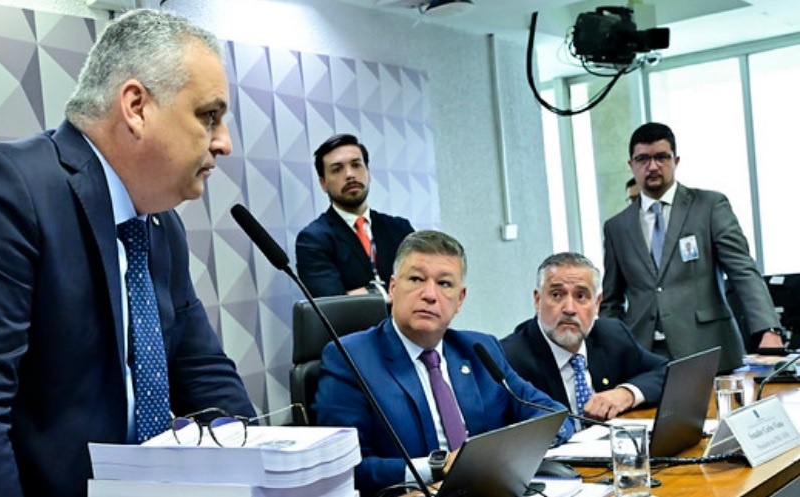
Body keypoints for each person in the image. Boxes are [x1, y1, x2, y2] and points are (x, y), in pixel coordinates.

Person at [0, 10, 254, 497]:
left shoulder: (160, 226)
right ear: (136, 107)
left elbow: (203, 372)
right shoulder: (1, 193)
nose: (224, 143)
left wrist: (263, 471)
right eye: (209, 116)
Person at [313, 230, 573, 497]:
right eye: (416, 279)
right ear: (392, 288)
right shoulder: (349, 358)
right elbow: (344, 469)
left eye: (444, 283)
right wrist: (438, 466)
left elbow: (552, 415)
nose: (429, 294)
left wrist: (501, 458)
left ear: (460, 299)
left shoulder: (479, 349)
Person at [601, 122, 783, 374]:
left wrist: (768, 329)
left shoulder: (709, 206)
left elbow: (743, 271)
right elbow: (611, 300)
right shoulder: (616, 227)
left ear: (675, 161)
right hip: (644, 355)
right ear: (631, 164)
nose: (652, 166)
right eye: (643, 159)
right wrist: (606, 349)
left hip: (707, 347)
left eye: (661, 157)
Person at [501, 252, 667, 423]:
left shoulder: (612, 335)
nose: (569, 309)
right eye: (557, 295)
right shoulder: (508, 358)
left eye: (580, 296)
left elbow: (666, 372)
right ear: (538, 300)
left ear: (597, 304)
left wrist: (627, 393)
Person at [295, 133, 414, 299]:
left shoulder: (400, 229)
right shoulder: (313, 239)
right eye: (337, 169)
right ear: (323, 183)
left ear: (368, 173)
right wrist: (389, 292)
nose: (350, 174)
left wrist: (361, 294)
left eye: (356, 165)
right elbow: (335, 304)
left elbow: (421, 285)